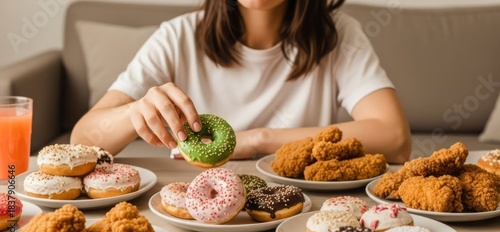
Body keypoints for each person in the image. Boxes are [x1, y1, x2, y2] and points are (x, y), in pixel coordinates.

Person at [70, 0, 412, 164]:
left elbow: (395, 138)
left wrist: (261, 139)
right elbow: (82, 141)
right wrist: (133, 112)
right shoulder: (177, 37)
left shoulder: (337, 34)